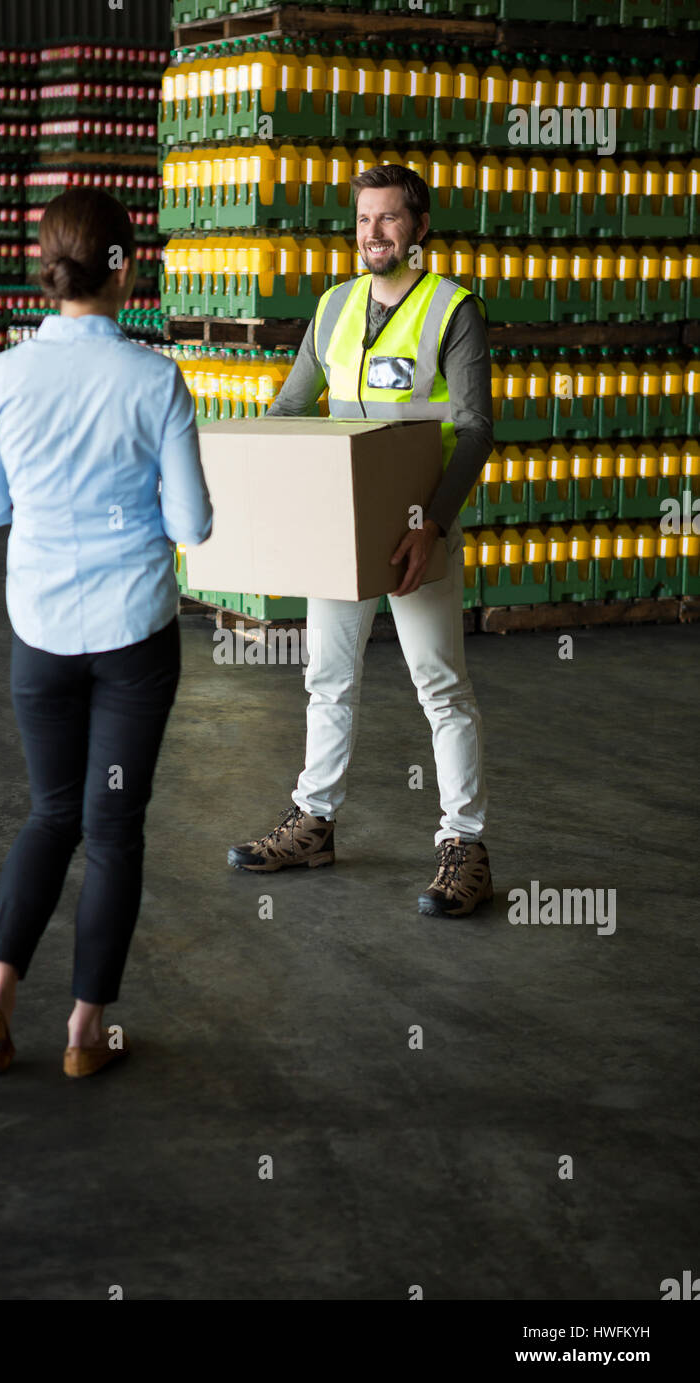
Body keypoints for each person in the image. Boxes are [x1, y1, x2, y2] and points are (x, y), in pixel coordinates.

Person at [0, 187, 211, 1078]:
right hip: (134, 638)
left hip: (41, 634)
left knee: (50, 814)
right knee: (112, 830)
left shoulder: (2, 375)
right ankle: (83, 1032)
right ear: (126, 268)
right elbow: (192, 525)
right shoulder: (156, 379)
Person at [228, 164, 493, 917]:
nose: (372, 234)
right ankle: (313, 823)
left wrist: (433, 527)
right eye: (363, 219)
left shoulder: (452, 310)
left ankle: (465, 847)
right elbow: (290, 406)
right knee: (327, 678)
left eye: (388, 220)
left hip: (417, 529)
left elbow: (475, 430)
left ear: (419, 227)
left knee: (440, 686)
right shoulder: (335, 306)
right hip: (340, 526)